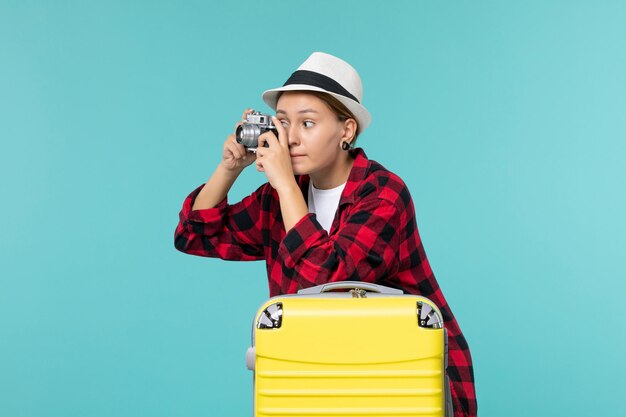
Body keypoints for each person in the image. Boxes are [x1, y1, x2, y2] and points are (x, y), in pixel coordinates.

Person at [174, 52, 477, 417]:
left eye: (308, 123)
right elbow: (195, 235)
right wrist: (229, 169)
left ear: (346, 131)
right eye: (284, 123)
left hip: (402, 377)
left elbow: (325, 281)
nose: (293, 137)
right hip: (320, 376)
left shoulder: (383, 193)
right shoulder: (283, 195)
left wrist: (284, 182)